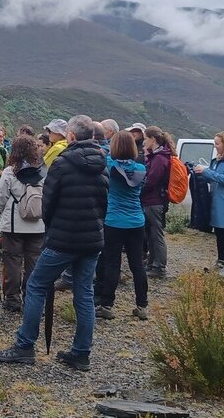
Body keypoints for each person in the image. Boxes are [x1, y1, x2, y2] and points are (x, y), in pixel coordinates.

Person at [0, 115, 108, 372]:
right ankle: (81, 352)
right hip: (92, 240)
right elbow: (103, 202)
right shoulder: (102, 163)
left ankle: (24, 346)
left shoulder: (63, 163)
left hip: (63, 239)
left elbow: (48, 202)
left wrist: (54, 228)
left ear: (72, 136)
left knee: (36, 285)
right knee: (85, 293)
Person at [94, 131, 148, 320]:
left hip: (114, 220)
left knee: (112, 263)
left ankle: (107, 305)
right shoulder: (141, 168)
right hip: (136, 220)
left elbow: (104, 158)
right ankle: (142, 306)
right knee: (137, 264)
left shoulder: (109, 165)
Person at [0, 135, 45, 313]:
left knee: (12, 263)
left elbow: (0, 198)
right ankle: (32, 298)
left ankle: (12, 299)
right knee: (34, 263)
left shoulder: (10, 172)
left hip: (13, 225)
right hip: (38, 224)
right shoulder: (42, 171)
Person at [193, 131, 224, 277]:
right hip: (216, 201)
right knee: (219, 233)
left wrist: (206, 172)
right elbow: (214, 178)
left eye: (217, 143)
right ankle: (220, 261)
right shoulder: (217, 160)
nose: (215, 146)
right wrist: (201, 174)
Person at [142, 126, 173, 279]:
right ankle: (152, 263)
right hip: (152, 200)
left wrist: (137, 189)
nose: (144, 142)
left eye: (146, 139)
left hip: (154, 201)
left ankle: (159, 267)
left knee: (156, 234)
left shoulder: (159, 158)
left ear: (153, 139)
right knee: (151, 233)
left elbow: (151, 181)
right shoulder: (157, 156)